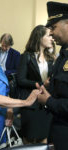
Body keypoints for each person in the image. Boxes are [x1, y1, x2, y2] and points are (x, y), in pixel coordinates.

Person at [36, 1, 68, 150]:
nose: (51, 33)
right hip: (57, 129)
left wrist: (48, 100)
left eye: (53, 27)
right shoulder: (63, 55)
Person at [17, 25, 54, 144]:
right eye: (49, 35)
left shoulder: (50, 58)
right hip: (31, 104)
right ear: (39, 37)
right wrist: (41, 84)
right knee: (28, 138)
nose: (52, 38)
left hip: (46, 104)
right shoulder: (27, 56)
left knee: (44, 138)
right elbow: (21, 80)